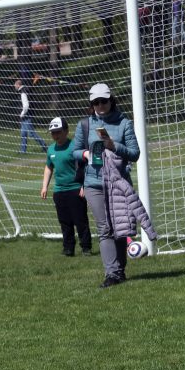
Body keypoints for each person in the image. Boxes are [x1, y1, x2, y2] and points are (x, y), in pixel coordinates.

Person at [72, 83, 142, 288]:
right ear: (91, 104)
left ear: (111, 100)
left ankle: (120, 271)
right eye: (96, 102)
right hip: (94, 182)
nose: (100, 105)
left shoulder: (124, 123)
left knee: (120, 227)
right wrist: (85, 154)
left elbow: (135, 153)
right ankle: (111, 273)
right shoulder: (84, 124)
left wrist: (113, 146)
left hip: (118, 183)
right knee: (105, 228)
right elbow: (75, 151)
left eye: (104, 101)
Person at [40, 117, 92, 257]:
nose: (55, 135)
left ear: (66, 131)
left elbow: (85, 167)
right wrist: (45, 186)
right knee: (64, 221)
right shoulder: (51, 149)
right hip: (59, 191)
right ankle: (68, 248)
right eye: (53, 132)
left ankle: (86, 247)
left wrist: (84, 186)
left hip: (75, 189)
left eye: (58, 132)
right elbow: (49, 167)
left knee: (80, 220)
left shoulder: (75, 146)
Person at [15, 80, 47, 154]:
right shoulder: (26, 90)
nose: (15, 87)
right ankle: (23, 151)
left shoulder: (23, 92)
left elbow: (26, 105)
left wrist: (22, 114)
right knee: (23, 134)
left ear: (18, 85)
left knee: (31, 133)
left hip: (26, 115)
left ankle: (44, 146)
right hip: (26, 116)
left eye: (15, 85)